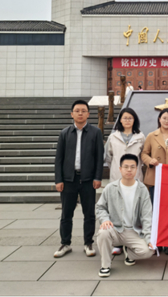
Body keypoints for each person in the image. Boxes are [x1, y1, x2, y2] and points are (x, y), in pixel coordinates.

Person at [54, 100, 104, 258]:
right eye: (77, 111)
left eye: (83, 111)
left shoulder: (95, 132)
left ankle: (88, 243)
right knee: (66, 214)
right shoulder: (65, 133)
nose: (80, 113)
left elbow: (99, 158)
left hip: (88, 179)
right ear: (72, 114)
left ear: (88, 114)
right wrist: (58, 180)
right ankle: (65, 243)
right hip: (69, 179)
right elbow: (59, 159)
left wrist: (98, 177)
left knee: (89, 213)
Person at [96, 154, 154, 278]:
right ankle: (105, 265)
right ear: (120, 169)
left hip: (134, 231)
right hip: (115, 229)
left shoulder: (142, 189)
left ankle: (129, 252)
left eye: (132, 167)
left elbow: (146, 216)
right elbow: (100, 207)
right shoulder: (110, 188)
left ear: (137, 169)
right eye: (126, 167)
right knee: (103, 232)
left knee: (149, 251)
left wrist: (148, 238)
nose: (129, 170)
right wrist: (105, 220)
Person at [141, 108, 168, 256]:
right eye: (164, 118)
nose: (167, 121)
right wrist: (150, 160)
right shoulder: (151, 136)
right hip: (155, 179)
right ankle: (157, 242)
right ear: (159, 119)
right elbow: (144, 154)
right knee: (156, 212)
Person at [105, 107, 145, 255]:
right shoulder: (113, 137)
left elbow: (143, 157)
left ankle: (132, 241)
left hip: (135, 178)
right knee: (116, 210)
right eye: (125, 118)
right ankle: (117, 243)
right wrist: (118, 169)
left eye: (130, 118)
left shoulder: (140, 137)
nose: (127, 120)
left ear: (134, 120)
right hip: (117, 177)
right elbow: (109, 157)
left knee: (133, 210)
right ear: (120, 120)